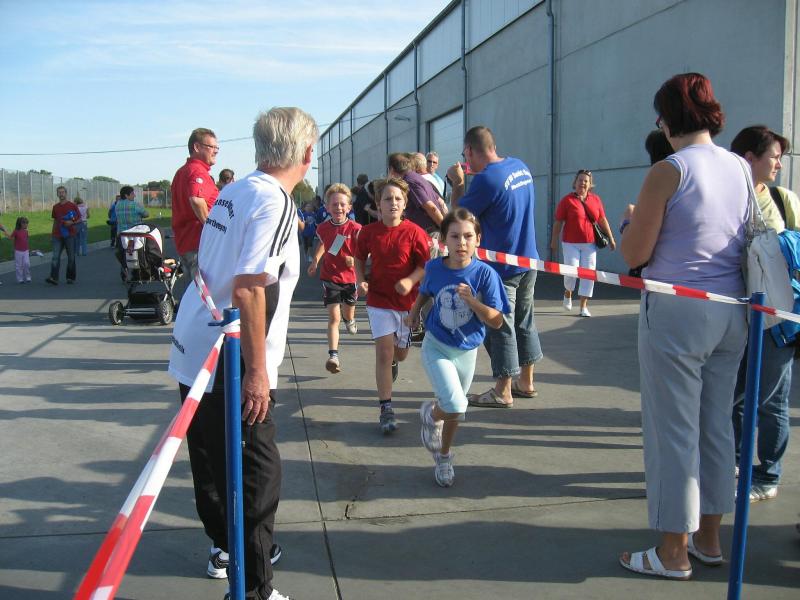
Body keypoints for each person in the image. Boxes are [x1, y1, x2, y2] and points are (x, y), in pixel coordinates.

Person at [169, 107, 316, 600]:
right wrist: (256, 372)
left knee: (211, 461)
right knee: (257, 471)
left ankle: (226, 548)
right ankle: (254, 585)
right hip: (227, 354)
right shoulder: (275, 201)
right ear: (307, 153)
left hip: (196, 342)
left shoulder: (234, 190)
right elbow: (251, 287)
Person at [618, 73, 749, 581]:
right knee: (716, 426)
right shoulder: (739, 166)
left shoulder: (668, 170)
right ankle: (709, 539)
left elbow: (635, 253)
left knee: (673, 431)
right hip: (731, 309)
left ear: (668, 119)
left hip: (676, 311)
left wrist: (628, 224)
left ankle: (673, 550)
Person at [409, 208, 510, 487]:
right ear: (444, 239)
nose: (461, 243)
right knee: (455, 404)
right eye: (454, 236)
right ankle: (432, 414)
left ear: (478, 239)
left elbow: (497, 321)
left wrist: (473, 302)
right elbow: (426, 290)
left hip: (467, 350)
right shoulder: (434, 268)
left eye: (468, 236)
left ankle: (443, 455)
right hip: (437, 346)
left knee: (455, 411)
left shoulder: (486, 275)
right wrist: (414, 312)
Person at [447, 126, 542, 407]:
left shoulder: (486, 180)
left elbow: (457, 218)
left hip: (503, 269)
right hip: (528, 260)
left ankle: (503, 390)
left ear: (469, 151)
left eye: (465, 155)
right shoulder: (520, 166)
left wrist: (458, 184)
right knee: (524, 321)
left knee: (498, 326)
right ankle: (526, 381)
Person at [730, 125, 800, 503]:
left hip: (777, 319)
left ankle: (768, 474)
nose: (779, 164)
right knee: (735, 396)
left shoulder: (783, 199)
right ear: (749, 158)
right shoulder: (726, 198)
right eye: (774, 157)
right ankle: (735, 464)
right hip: (736, 314)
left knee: (771, 401)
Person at [354, 177, 429, 434]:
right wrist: (360, 281)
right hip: (378, 301)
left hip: (407, 303)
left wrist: (410, 280)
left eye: (398, 198)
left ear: (405, 203)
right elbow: (359, 258)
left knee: (400, 354)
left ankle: (396, 359)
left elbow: (424, 266)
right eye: (387, 199)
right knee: (384, 354)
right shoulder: (368, 232)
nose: (393, 203)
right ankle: (386, 408)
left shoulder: (415, 232)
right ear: (378, 204)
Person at [307, 183, 362, 373]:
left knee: (348, 314)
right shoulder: (323, 228)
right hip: (330, 277)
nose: (338, 208)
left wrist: (354, 260)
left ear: (349, 207)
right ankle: (333, 356)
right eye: (334, 204)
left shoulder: (356, 228)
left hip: (350, 279)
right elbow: (324, 244)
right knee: (333, 317)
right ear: (327, 207)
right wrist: (315, 261)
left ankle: (350, 320)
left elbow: (366, 252)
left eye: (342, 204)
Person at [550, 170, 616, 317]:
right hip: (570, 243)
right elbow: (558, 221)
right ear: (575, 182)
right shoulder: (567, 200)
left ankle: (583, 306)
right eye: (580, 180)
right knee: (571, 271)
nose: (583, 183)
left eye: (586, 181)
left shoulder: (595, 200)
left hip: (590, 244)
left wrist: (611, 238)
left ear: (590, 184)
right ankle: (568, 292)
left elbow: (602, 219)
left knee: (588, 273)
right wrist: (554, 240)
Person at [171, 127, 220, 283]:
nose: (216, 151)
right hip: (200, 245)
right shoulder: (197, 171)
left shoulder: (182, 172)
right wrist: (212, 229)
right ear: (197, 147)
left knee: (195, 293)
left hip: (187, 244)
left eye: (217, 148)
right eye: (211, 147)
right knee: (207, 295)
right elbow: (196, 200)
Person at [388, 152, 444, 234]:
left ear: (392, 169)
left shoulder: (409, 182)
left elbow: (431, 208)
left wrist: (445, 230)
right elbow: (440, 202)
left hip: (428, 232)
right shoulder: (417, 177)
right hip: (429, 230)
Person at [114, 186, 150, 279]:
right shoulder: (134, 205)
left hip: (121, 234)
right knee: (137, 253)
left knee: (123, 254)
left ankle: (124, 271)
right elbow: (146, 214)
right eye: (132, 193)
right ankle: (137, 273)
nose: (134, 195)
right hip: (134, 234)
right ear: (126, 195)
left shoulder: (117, 205)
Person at [46, 185, 80, 285]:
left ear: (66, 193)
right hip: (57, 236)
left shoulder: (72, 205)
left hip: (70, 235)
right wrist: (52, 234)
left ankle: (70, 277)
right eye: (59, 192)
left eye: (63, 192)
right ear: (57, 194)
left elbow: (80, 219)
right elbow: (55, 221)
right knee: (55, 257)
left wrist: (71, 222)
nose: (61, 194)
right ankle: (54, 278)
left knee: (71, 257)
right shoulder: (55, 207)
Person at [6, 216, 31, 283]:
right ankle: (20, 278)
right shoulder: (16, 231)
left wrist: (28, 248)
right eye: (25, 223)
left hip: (26, 250)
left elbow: (26, 239)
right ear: (20, 224)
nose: (26, 225)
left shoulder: (26, 231)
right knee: (19, 265)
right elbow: (11, 237)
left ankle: (28, 276)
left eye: (27, 223)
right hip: (18, 251)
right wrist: (7, 235)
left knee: (27, 263)